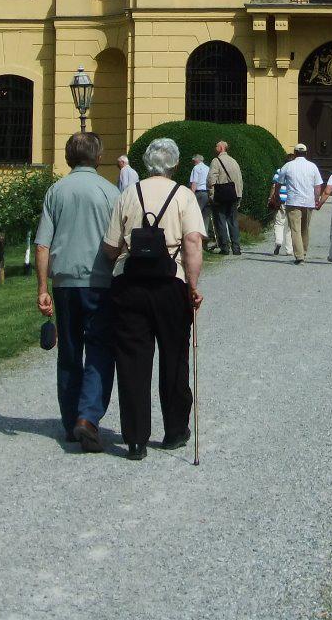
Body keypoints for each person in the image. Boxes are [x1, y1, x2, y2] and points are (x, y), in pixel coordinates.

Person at [102, 137, 204, 461]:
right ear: (174, 164)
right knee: (174, 358)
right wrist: (192, 285)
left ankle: (135, 439)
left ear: (146, 163)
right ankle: (174, 431)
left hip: (130, 285)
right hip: (170, 284)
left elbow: (110, 247)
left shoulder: (129, 194)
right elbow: (192, 243)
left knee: (132, 362)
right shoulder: (184, 196)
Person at [34, 132, 120, 452]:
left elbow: (43, 243)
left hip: (65, 282)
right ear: (97, 158)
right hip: (100, 282)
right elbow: (119, 243)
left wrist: (42, 287)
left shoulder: (56, 191)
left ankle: (71, 421)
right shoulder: (110, 192)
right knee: (99, 349)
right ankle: (88, 416)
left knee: (69, 350)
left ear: (69, 158)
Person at [278, 144, 324, 265]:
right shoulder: (312, 166)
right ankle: (303, 252)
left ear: (295, 152)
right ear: (306, 153)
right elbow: (318, 186)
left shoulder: (288, 165)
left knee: (295, 229)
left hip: (293, 201)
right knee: (305, 229)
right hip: (308, 201)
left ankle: (299, 256)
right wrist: (316, 199)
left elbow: (279, 181)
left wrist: (277, 196)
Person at [206, 140, 244, 255]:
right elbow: (239, 180)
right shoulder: (234, 161)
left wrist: (211, 194)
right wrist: (239, 196)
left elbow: (211, 179)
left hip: (221, 195)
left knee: (221, 220)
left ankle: (224, 247)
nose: (215, 147)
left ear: (222, 147)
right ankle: (236, 247)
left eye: (216, 145)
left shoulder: (216, 161)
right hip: (234, 195)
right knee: (233, 221)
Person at [187, 153, 214, 251]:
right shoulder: (208, 168)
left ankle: (196, 242)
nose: (193, 162)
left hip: (199, 193)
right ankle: (205, 242)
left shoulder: (196, 168)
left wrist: (191, 196)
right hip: (207, 193)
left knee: (195, 216)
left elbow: (194, 182)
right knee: (205, 218)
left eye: (193, 161)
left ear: (196, 160)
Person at [266, 166, 292, 257]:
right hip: (292, 201)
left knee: (279, 223)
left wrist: (270, 198)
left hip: (280, 200)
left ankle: (278, 242)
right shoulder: (296, 171)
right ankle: (289, 250)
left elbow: (274, 186)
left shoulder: (279, 171)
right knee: (291, 226)